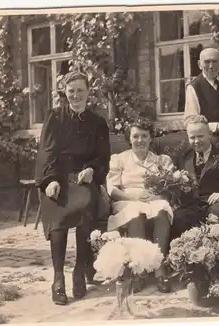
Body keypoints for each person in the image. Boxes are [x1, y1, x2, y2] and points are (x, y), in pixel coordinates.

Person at [34, 71, 111, 305]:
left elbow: (103, 157)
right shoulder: (55, 118)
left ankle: (79, 270)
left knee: (86, 203)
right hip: (57, 179)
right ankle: (58, 278)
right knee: (57, 213)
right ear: (64, 93)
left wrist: (92, 170)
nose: (75, 95)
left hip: (83, 180)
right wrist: (50, 180)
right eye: (71, 91)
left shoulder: (98, 122)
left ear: (88, 92)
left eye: (80, 90)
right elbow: (47, 153)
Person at [105, 118, 173, 293]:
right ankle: (139, 271)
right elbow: (112, 189)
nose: (140, 140)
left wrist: (156, 195)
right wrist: (131, 197)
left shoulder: (161, 161)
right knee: (135, 214)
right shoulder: (119, 159)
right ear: (129, 138)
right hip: (126, 201)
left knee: (162, 210)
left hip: (153, 200)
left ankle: (159, 269)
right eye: (135, 136)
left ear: (151, 138)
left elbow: (170, 187)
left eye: (144, 136)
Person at [170, 115, 219, 239]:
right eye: (192, 137)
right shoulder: (183, 157)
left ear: (210, 134)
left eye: (200, 136)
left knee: (217, 213)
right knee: (178, 217)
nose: (196, 141)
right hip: (193, 205)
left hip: (218, 204)